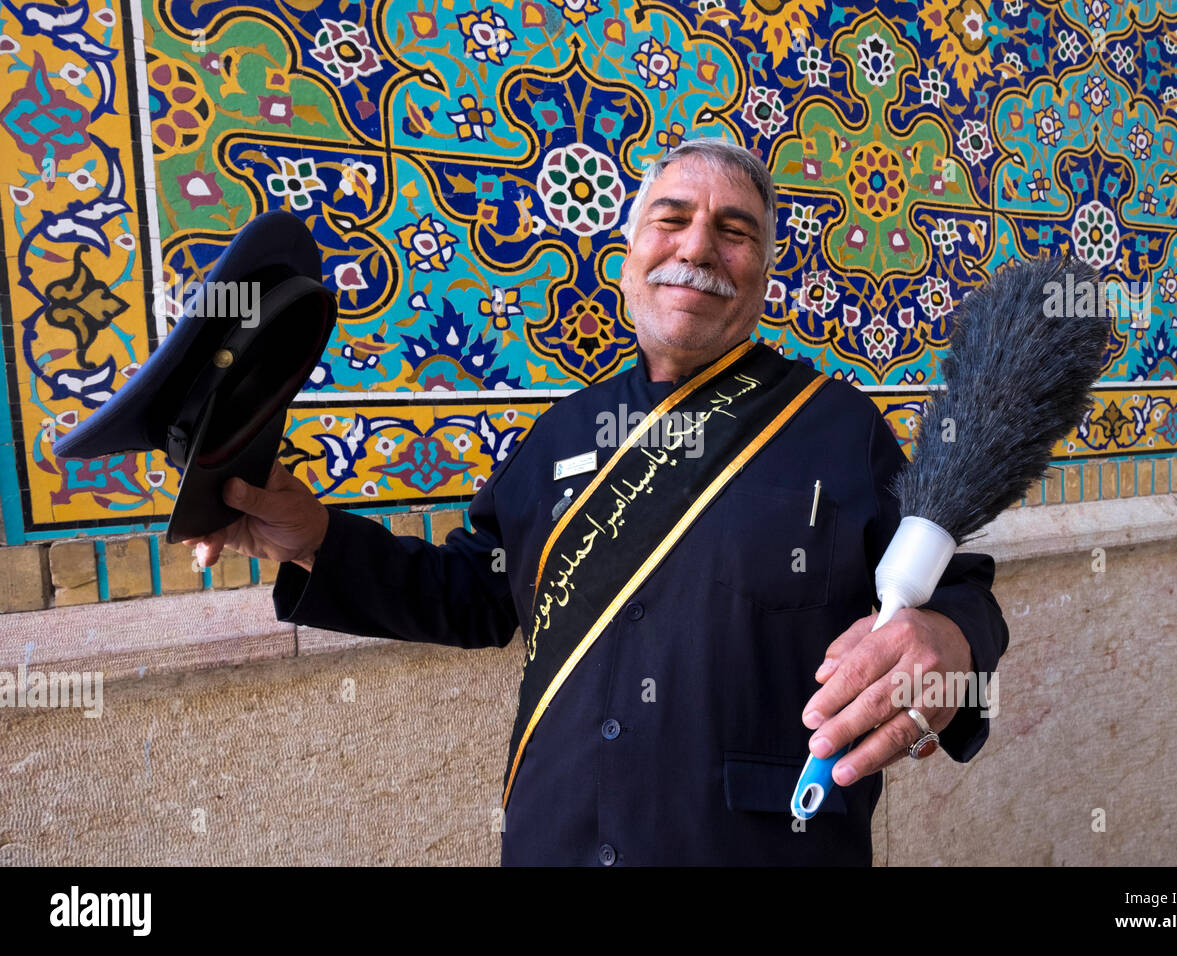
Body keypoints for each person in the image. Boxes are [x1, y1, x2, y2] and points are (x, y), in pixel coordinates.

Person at [185, 139, 1009, 865]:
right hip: (556, 841)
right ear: (627, 257)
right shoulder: (561, 433)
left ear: (762, 271)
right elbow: (474, 594)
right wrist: (315, 538)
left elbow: (961, 590)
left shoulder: (840, 428)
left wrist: (950, 639)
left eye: (735, 231)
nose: (698, 246)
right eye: (671, 218)